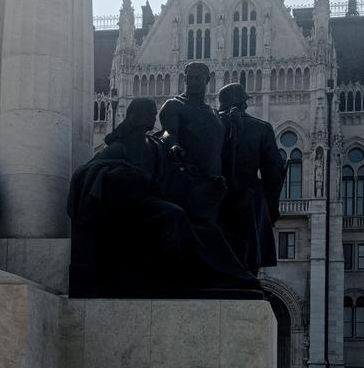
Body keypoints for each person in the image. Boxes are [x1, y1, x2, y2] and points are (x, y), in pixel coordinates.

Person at [67, 98, 260, 297]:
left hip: (154, 202)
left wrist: (208, 185)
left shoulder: (155, 144)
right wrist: (122, 173)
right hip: (132, 210)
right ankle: (186, 275)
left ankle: (231, 275)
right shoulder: (120, 147)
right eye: (150, 112)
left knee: (208, 228)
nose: (154, 115)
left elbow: (174, 177)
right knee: (174, 215)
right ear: (136, 116)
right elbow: (87, 171)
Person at [216, 83, 286, 273]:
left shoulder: (212, 124)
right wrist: (272, 204)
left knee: (219, 250)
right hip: (250, 198)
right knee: (249, 252)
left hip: (217, 197)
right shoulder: (261, 129)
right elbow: (275, 171)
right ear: (244, 104)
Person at [159, 62, 225, 224]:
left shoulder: (214, 114)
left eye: (199, 78)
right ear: (185, 80)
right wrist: (172, 144)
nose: (194, 82)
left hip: (214, 183)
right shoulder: (174, 105)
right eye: (191, 78)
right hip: (188, 181)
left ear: (207, 81)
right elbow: (167, 132)